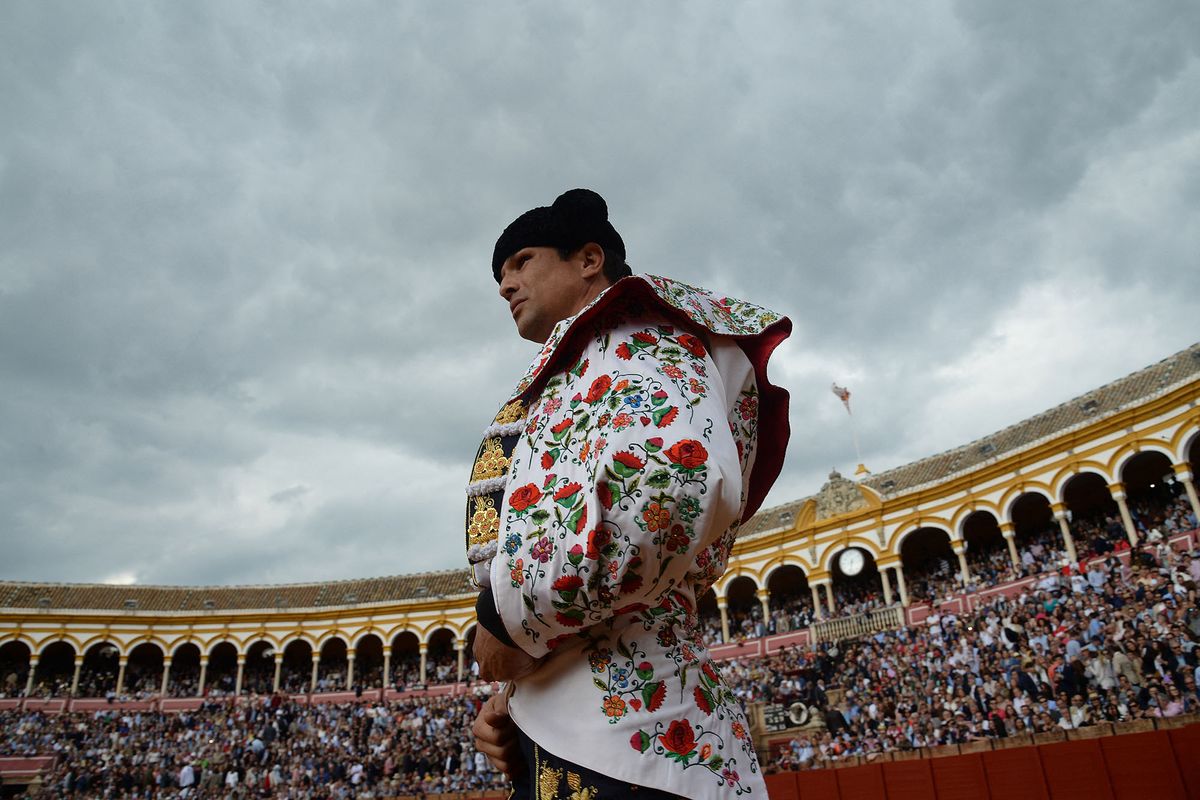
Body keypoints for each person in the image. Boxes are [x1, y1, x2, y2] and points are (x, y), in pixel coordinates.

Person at [467, 188, 791, 798]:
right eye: (500, 274)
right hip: (594, 726)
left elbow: (663, 498)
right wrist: (518, 697)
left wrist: (505, 625)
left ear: (589, 259)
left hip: (632, 739)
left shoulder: (641, 336)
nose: (505, 284)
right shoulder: (589, 359)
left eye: (521, 261)